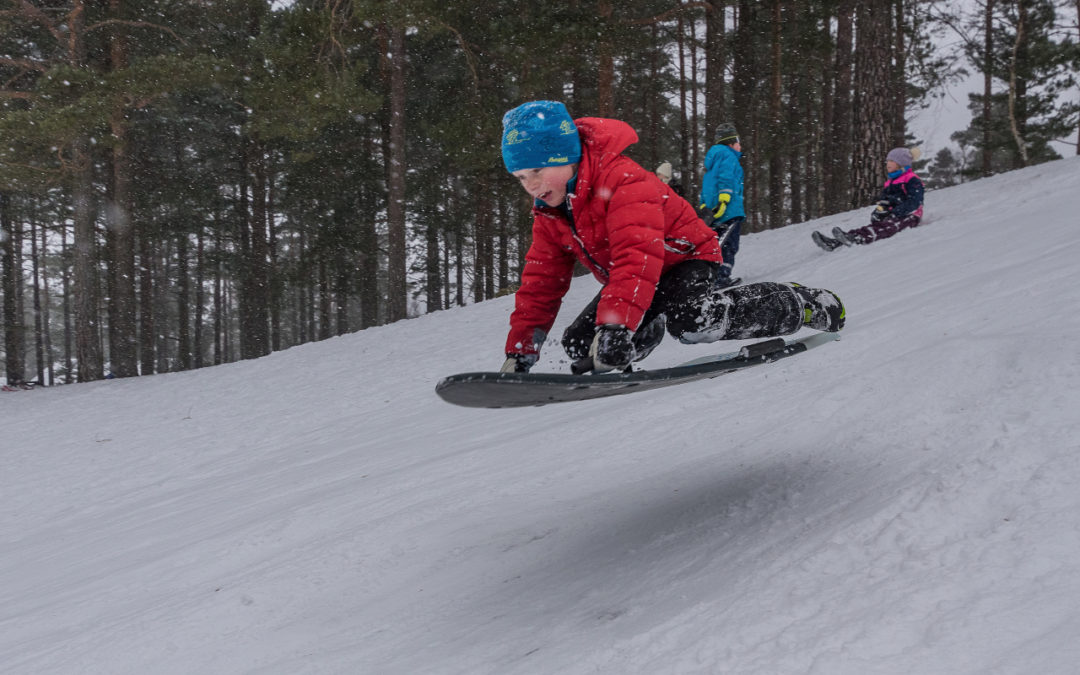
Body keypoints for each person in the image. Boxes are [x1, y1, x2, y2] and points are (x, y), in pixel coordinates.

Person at [498, 101, 845, 375]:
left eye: (537, 171)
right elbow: (541, 282)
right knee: (579, 343)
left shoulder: (622, 181)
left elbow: (636, 256)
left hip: (685, 256)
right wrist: (521, 350)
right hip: (639, 276)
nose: (531, 186)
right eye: (521, 177)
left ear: (567, 157)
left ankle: (802, 304)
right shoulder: (551, 211)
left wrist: (616, 329)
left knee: (693, 323)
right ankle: (637, 336)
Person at [813, 147, 925, 251]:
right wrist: (879, 211)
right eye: (888, 161)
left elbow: (915, 202)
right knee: (876, 225)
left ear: (902, 164)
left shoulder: (912, 180)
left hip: (910, 216)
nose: (888, 163)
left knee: (886, 227)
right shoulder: (890, 182)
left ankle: (858, 238)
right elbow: (885, 201)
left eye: (892, 161)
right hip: (892, 215)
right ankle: (837, 242)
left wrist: (895, 213)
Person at [698, 124, 745, 288]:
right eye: (738, 141)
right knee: (730, 244)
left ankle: (709, 277)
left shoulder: (713, 161)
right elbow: (727, 178)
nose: (740, 145)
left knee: (716, 243)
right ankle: (721, 278)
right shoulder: (728, 156)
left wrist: (705, 205)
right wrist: (724, 199)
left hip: (713, 211)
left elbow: (707, 186)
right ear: (730, 143)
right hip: (729, 209)